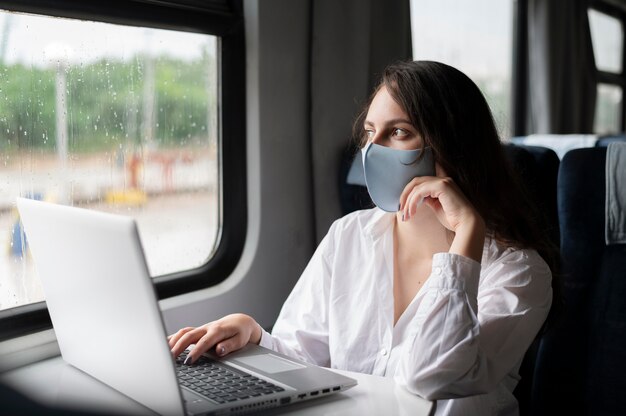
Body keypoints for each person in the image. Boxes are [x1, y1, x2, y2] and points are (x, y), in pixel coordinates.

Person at [168, 61, 559, 415]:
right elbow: (307, 361)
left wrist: (467, 234)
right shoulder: (349, 235)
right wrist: (255, 336)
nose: (373, 150)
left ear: (452, 146)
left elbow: (432, 377)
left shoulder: (521, 272)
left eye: (399, 132)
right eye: (371, 133)